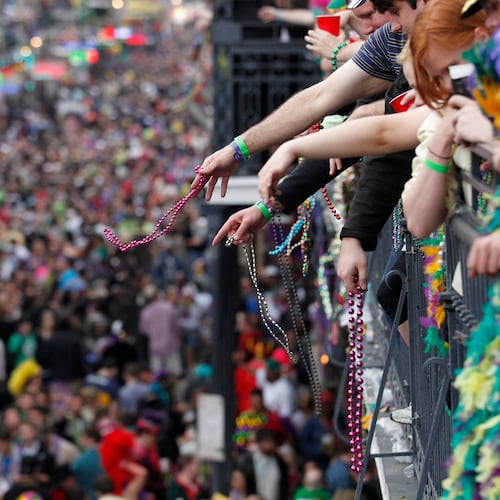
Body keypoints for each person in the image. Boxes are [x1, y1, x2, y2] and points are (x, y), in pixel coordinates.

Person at [138, 284, 182, 376]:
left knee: (157, 374)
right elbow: (176, 326)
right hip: (170, 344)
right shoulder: (168, 307)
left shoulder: (146, 311)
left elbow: (144, 330)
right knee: (174, 374)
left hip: (155, 346)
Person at [237, 428, 289, 500]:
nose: (270, 444)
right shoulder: (248, 460)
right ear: (259, 443)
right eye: (267, 441)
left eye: (271, 441)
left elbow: (284, 485)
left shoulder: (279, 461)